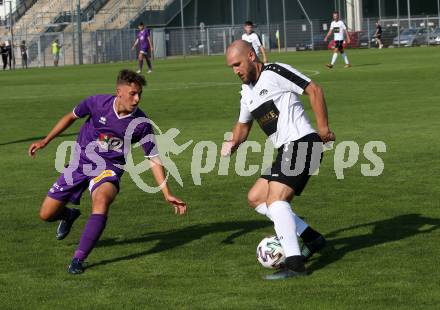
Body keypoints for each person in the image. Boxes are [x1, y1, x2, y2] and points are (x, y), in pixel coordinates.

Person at [28, 69, 187, 274]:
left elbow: (153, 158)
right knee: (46, 214)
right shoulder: (97, 103)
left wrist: (167, 193)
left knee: (101, 200)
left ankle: (78, 259)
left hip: (109, 169)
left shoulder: (141, 124)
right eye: (133, 93)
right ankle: (68, 215)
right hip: (80, 163)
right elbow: (71, 116)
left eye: (140, 94)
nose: (137, 99)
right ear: (118, 92)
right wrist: (45, 140)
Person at [223, 40, 335, 280]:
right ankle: (311, 238)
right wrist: (232, 143)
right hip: (286, 150)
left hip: (304, 143)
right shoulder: (246, 92)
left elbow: (314, 89)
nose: (235, 71)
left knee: (276, 200)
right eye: (231, 67)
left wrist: (323, 129)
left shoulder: (274, 72)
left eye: (238, 64)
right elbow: (243, 126)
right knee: (255, 198)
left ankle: (295, 265)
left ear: (252, 56)